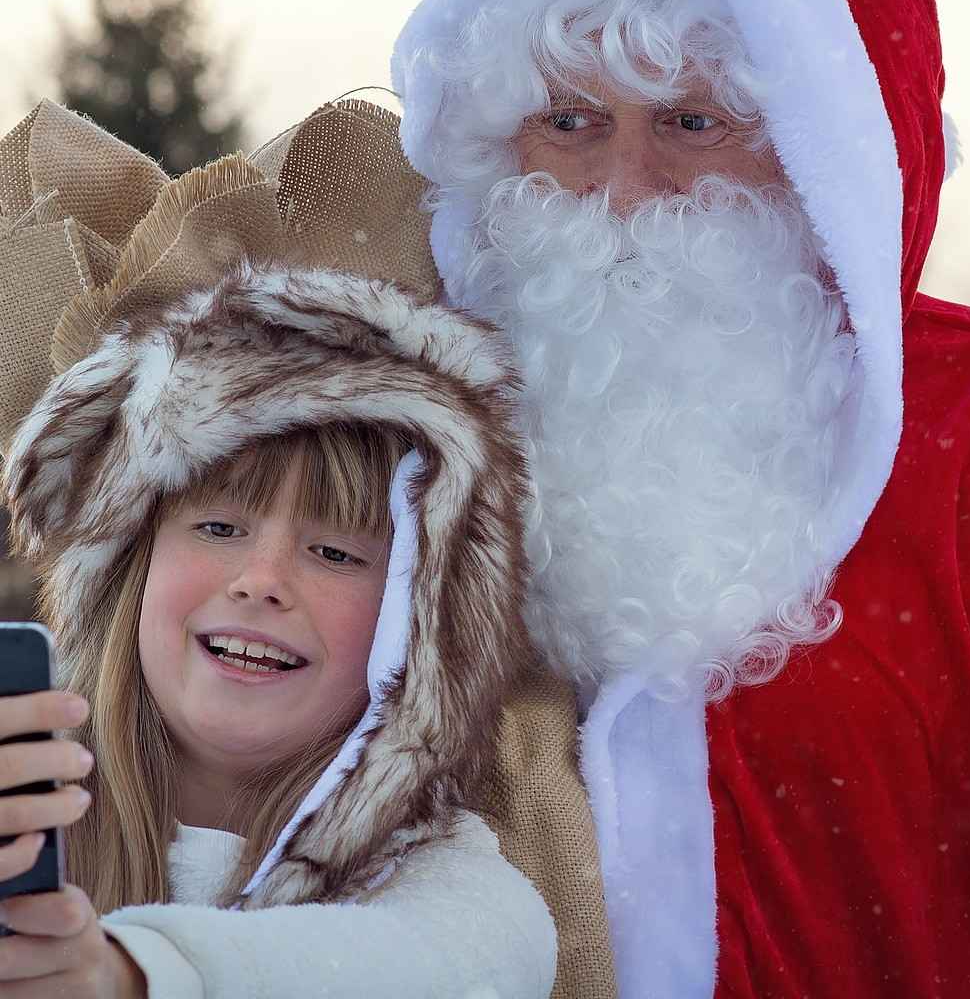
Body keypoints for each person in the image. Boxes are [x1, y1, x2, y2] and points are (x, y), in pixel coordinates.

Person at [391, 0, 970, 997]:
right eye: (570, 120)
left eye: (691, 120)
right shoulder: (387, 439)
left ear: (825, 150)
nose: (627, 186)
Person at [0, 98, 557, 998]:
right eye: (218, 528)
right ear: (131, 571)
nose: (262, 581)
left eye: (336, 553)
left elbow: (427, 969)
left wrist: (128, 975)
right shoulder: (26, 804)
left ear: (419, 626)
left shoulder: (458, 896)